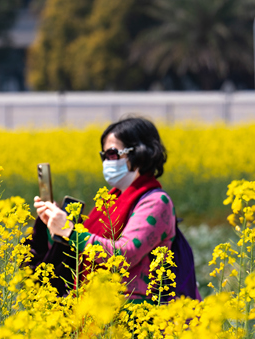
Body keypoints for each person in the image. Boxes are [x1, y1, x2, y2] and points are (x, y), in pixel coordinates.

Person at [32, 117, 191, 302]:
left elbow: (126, 253)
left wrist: (71, 232)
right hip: (99, 308)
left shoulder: (156, 202)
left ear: (139, 153)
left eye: (113, 154)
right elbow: (84, 248)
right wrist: (53, 225)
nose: (107, 162)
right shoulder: (112, 200)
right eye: (104, 156)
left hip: (137, 313)